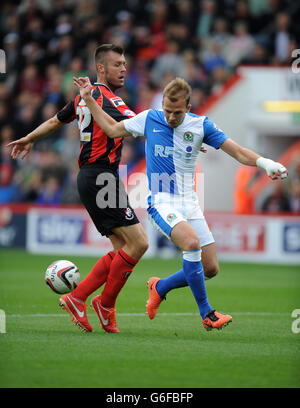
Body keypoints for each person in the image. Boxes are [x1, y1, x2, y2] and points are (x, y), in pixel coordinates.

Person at [73, 75, 288, 331]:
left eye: (176, 112)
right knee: (191, 243)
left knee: (210, 268)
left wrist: (266, 163)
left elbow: (239, 151)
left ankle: (160, 286)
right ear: (161, 104)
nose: (171, 117)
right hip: (162, 202)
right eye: (166, 110)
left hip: (190, 203)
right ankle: (207, 313)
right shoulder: (149, 118)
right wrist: (88, 99)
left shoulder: (201, 126)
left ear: (188, 108)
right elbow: (111, 128)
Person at [7, 44, 149, 334]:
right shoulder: (108, 99)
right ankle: (92, 301)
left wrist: (30, 137)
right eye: (117, 64)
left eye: (124, 64)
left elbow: (55, 121)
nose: (124, 69)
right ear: (101, 68)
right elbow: (140, 124)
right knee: (140, 243)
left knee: (123, 248)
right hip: (101, 177)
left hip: (94, 176)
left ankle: (89, 301)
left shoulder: (86, 98)